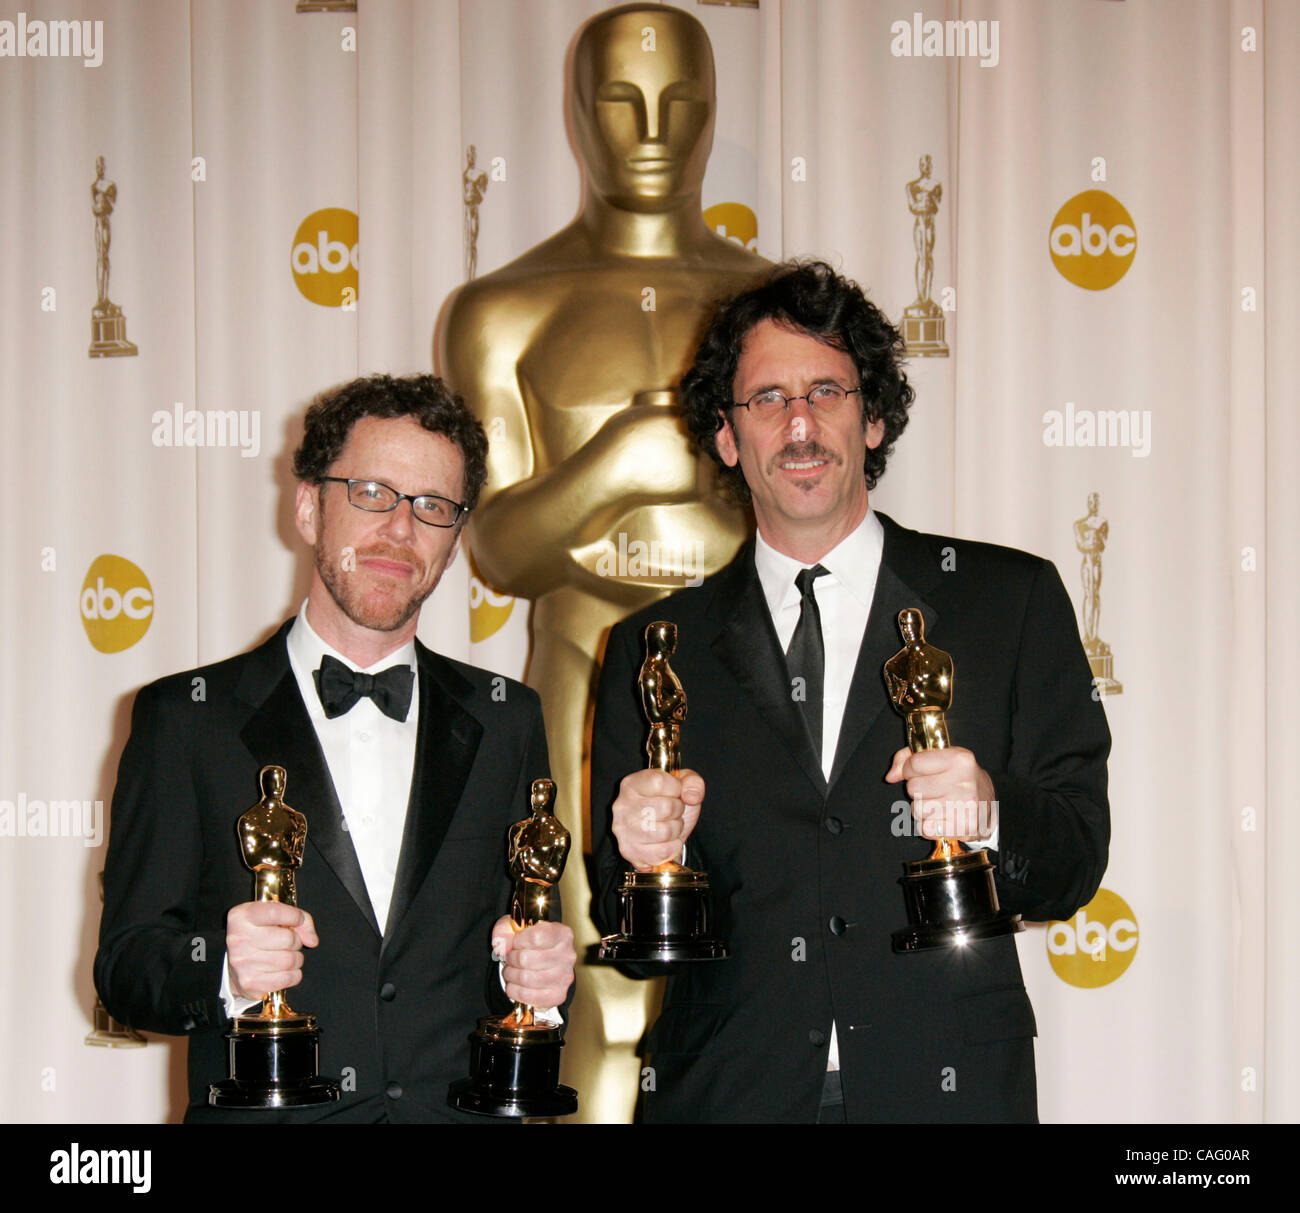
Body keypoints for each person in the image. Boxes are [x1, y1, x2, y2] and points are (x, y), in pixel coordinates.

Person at [591, 262, 1111, 1123]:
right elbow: (638, 943)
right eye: (767, 399)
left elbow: (1074, 858)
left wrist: (987, 812)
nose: (800, 424)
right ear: (727, 435)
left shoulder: (1007, 600)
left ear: (873, 419)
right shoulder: (654, 648)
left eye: (827, 390)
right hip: (725, 1095)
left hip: (947, 1093)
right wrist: (646, 861)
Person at [438, 2, 767, 1121]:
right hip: (579, 673)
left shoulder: (771, 310)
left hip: (760, 674)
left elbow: (813, 526)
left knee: (773, 971)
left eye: (680, 102)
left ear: (715, 113)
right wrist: (627, 455)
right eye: (622, 101)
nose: (653, 128)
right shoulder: (503, 310)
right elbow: (500, 547)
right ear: (576, 115)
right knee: (590, 979)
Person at [95, 374, 576, 1123]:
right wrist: (224, 969)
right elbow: (125, 968)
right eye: (372, 492)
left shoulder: (508, 719)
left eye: (433, 507)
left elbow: (520, 949)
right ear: (309, 506)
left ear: (455, 541)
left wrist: (540, 982)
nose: (400, 531)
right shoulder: (185, 719)